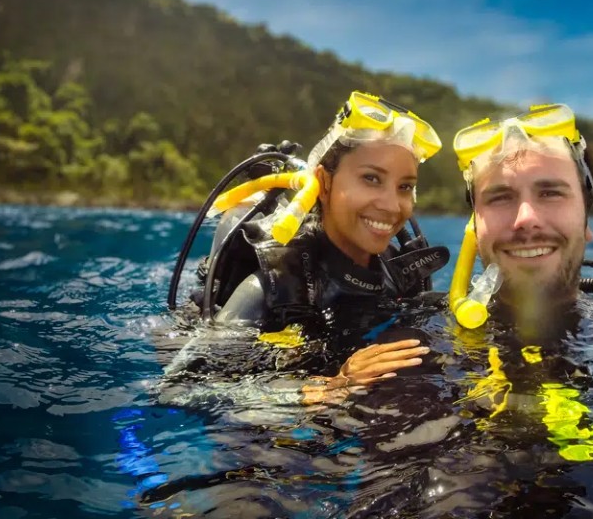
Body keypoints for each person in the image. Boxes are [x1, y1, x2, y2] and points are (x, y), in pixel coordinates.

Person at [160, 91, 450, 408]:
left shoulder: (398, 275)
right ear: (324, 183)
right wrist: (330, 388)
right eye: (371, 178)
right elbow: (178, 391)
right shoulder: (272, 287)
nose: (392, 205)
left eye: (405, 186)